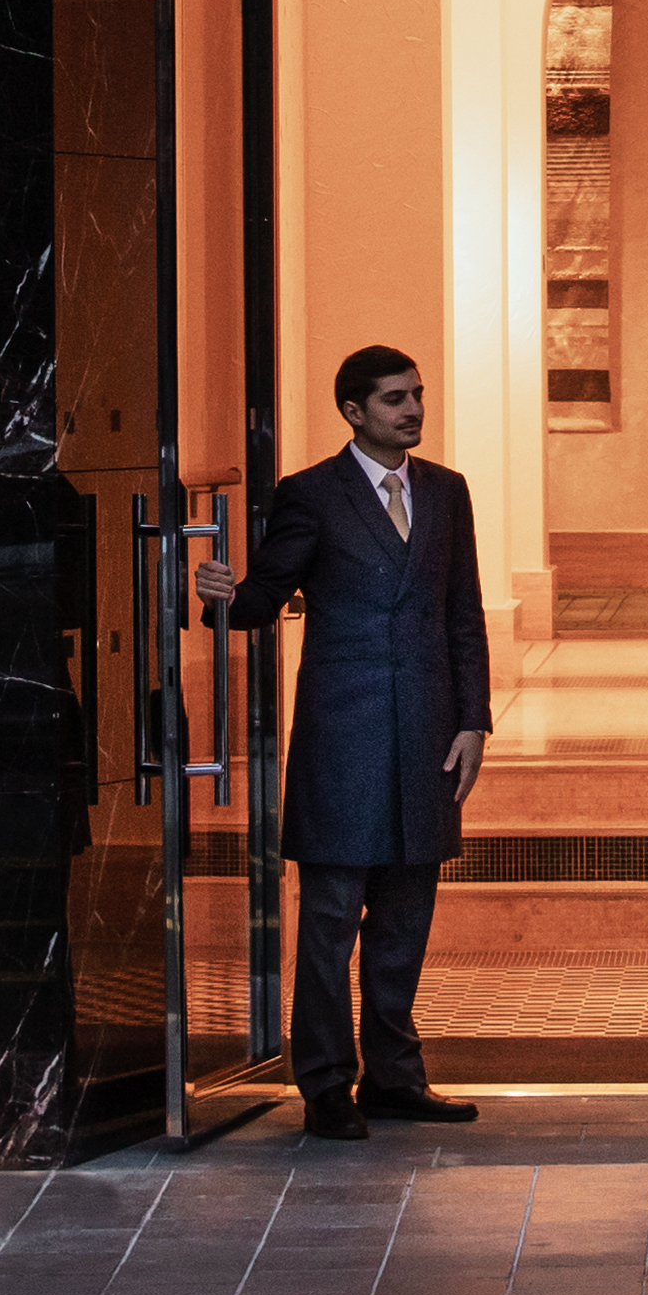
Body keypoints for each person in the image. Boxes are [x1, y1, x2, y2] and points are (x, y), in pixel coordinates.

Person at [220, 343, 494, 1133]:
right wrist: (210, 595)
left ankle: (395, 1078)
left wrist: (473, 719)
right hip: (343, 739)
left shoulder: (446, 492)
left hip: (429, 740)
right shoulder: (311, 494)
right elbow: (260, 601)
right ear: (353, 411)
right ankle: (326, 1084)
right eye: (393, 400)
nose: (412, 410)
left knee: (406, 918)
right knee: (332, 918)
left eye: (416, 395)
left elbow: (462, 615)